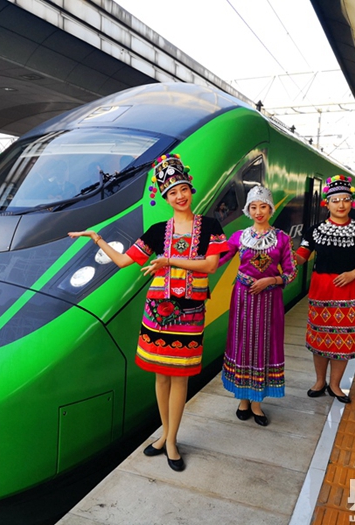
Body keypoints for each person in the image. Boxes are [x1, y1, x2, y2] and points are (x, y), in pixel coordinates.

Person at [68, 154, 227, 472]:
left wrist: (168, 261)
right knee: (161, 376)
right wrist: (97, 238)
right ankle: (165, 435)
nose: (179, 196)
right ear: (165, 198)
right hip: (158, 312)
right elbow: (124, 261)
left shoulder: (210, 227)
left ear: (191, 189)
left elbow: (210, 266)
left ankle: (171, 440)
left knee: (180, 376)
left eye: (183, 189)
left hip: (190, 312)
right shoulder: (157, 231)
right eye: (172, 192)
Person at [294, 175, 355, 404]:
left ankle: (335, 385)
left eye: (345, 200)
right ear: (326, 204)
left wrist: (353, 274)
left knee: (345, 339)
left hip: (352, 291)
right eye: (335, 200)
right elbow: (301, 257)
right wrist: (282, 253)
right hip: (322, 291)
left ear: (352, 202)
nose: (341, 205)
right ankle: (320, 381)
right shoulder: (314, 231)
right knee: (320, 338)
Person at [219, 186, 297, 426]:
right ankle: (242, 399)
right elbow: (218, 259)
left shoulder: (282, 239)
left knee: (264, 346)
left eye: (263, 206)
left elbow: (291, 272)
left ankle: (256, 403)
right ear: (248, 210)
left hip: (269, 301)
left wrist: (271, 280)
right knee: (242, 345)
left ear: (271, 208)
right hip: (242, 299)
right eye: (253, 207)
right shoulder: (238, 237)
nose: (258, 211)